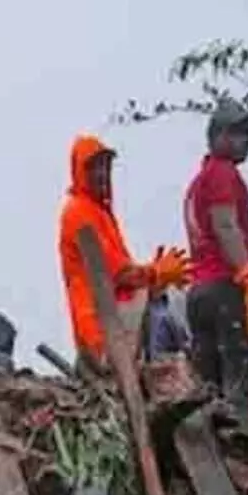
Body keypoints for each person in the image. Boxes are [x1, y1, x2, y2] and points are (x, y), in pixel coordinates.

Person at [57, 134, 190, 372]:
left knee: (172, 296)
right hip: (100, 331)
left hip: (115, 319)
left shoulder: (100, 212)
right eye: (92, 167)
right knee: (165, 304)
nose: (101, 173)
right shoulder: (78, 212)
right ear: (78, 171)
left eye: (105, 165)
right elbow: (117, 274)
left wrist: (155, 275)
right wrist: (155, 273)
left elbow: (124, 275)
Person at [183, 99, 248, 413]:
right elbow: (225, 225)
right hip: (227, 287)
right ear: (218, 136)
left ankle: (216, 449)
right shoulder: (222, 173)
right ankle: (239, 449)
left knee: (211, 385)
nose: (245, 140)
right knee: (242, 383)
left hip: (201, 291)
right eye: (237, 133)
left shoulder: (199, 181)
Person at [144, 292, 190, 361]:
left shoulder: (149, 309)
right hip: (163, 353)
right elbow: (178, 330)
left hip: (155, 354)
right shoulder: (167, 310)